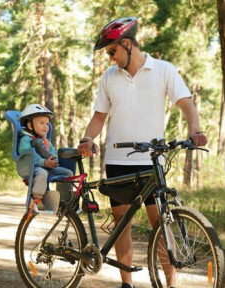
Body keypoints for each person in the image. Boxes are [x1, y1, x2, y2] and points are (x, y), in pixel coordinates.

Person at [77, 17, 208, 288]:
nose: (110, 58)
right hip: (116, 161)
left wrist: (195, 130)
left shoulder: (163, 70)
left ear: (127, 44)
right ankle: (127, 284)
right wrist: (88, 137)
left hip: (152, 162)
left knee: (161, 225)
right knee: (121, 226)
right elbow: (99, 117)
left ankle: (170, 285)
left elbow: (186, 104)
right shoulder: (109, 77)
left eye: (112, 51)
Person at [18, 104, 73, 210]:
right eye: (41, 123)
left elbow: (52, 151)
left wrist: (53, 159)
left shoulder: (45, 140)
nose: (45, 126)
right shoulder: (26, 140)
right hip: (32, 167)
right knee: (41, 173)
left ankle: (64, 200)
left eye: (47, 124)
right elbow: (28, 157)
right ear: (30, 126)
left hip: (48, 166)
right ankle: (37, 199)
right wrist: (44, 162)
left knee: (68, 173)